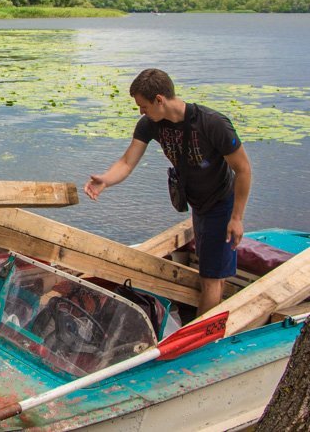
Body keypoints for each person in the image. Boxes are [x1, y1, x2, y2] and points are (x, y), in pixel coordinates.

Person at [84, 68, 252, 316]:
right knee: (213, 273)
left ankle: (199, 343)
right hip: (199, 205)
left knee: (210, 280)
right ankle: (210, 319)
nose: (141, 111)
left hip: (222, 204)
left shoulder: (211, 123)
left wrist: (236, 218)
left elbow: (244, 169)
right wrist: (105, 180)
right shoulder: (151, 124)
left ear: (159, 100)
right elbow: (127, 162)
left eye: (143, 106)